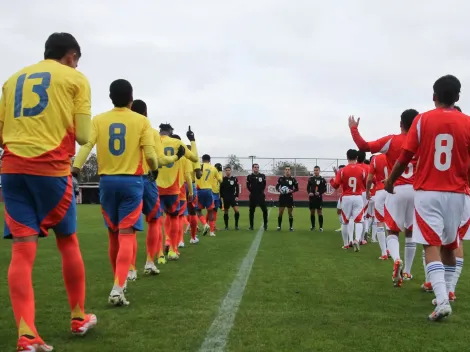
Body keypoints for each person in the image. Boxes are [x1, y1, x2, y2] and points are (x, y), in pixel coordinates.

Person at [0, 32, 97, 351]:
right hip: (51, 170)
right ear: (71, 56)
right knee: (67, 241)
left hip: (12, 170)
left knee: (22, 251)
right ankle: (78, 316)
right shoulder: (75, 78)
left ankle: (27, 334)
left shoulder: (12, 79)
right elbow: (84, 136)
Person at [384, 74, 470, 321]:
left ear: (434, 97)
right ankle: (448, 291)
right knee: (449, 245)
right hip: (457, 193)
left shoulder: (422, 121)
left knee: (430, 245)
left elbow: (404, 157)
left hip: (428, 191)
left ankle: (442, 300)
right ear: (458, 97)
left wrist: (390, 181)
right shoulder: (468, 122)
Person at [73, 79, 159, 307]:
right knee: (127, 234)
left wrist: (76, 168)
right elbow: (150, 154)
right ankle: (118, 287)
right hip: (132, 181)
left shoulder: (99, 120)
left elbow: (86, 146)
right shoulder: (141, 120)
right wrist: (155, 167)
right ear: (131, 98)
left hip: (107, 182)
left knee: (112, 233)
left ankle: (118, 282)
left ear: (111, 97)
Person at [349, 108, 419, 287]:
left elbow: (364, 147)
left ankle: (396, 258)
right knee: (411, 233)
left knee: (392, 231)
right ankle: (408, 271)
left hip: (395, 189)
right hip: (417, 191)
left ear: (401, 123)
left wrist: (353, 129)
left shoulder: (392, 140)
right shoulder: (423, 141)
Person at [130, 99, 184, 275]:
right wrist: (175, 158)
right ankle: (151, 260)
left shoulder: (110, 123)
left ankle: (129, 270)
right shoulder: (150, 130)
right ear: (145, 112)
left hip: (121, 178)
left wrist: (75, 170)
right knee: (156, 220)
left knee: (125, 227)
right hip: (148, 179)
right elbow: (158, 159)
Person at [157, 124, 198, 259]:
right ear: (171, 132)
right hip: (176, 188)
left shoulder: (153, 141)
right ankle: (174, 246)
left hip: (155, 187)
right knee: (176, 217)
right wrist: (192, 140)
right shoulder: (178, 145)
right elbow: (192, 165)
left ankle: (157, 254)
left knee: (157, 220)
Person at [330, 150, 366, 252]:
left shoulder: (342, 170)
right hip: (358, 196)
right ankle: (357, 239)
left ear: (347, 157)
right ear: (357, 157)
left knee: (345, 221)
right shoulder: (361, 170)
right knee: (359, 220)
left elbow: (336, 185)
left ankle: (346, 244)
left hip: (346, 197)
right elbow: (365, 183)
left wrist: (332, 180)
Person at [367, 154, 389, 260]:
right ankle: (391, 249)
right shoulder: (395, 155)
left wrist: (367, 191)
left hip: (380, 192)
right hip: (393, 190)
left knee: (379, 221)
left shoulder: (376, 159)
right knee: (391, 222)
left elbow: (370, 179)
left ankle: (384, 252)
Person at [197, 155, 222, 236]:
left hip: (199, 190)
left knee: (197, 210)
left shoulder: (198, 166)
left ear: (202, 159)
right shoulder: (213, 168)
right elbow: (220, 180)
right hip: (209, 191)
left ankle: (205, 224)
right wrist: (220, 172)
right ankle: (211, 232)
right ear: (209, 160)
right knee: (210, 211)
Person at [185, 144, 202, 244]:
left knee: (176, 214)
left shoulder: (180, 157)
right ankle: (193, 237)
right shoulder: (193, 159)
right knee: (192, 211)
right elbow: (199, 175)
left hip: (179, 185)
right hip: (191, 184)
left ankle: (178, 241)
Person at [275, 166, 299, 231]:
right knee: (280, 212)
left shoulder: (293, 179)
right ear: (284, 171)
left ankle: (291, 227)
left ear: (290, 171)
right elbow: (276, 187)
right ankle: (279, 226)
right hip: (282, 197)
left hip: (289, 197)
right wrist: (279, 190)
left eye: (288, 169)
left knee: (290, 213)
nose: (287, 171)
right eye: (286, 169)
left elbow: (297, 188)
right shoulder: (281, 179)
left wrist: (292, 191)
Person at [247, 164, 268, 230]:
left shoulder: (262, 176)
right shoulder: (249, 176)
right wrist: (252, 191)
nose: (256, 168)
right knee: (251, 211)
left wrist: (261, 191)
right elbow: (248, 185)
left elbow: (264, 184)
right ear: (252, 168)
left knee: (265, 210)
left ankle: (265, 225)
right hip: (253, 195)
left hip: (260, 195)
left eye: (257, 167)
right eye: (255, 167)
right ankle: (251, 226)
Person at [307, 166, 327, 231]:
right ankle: (313, 226)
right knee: (312, 212)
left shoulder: (322, 179)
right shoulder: (310, 179)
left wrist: (319, 193)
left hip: (318, 198)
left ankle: (321, 227)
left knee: (319, 212)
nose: (316, 171)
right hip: (312, 198)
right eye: (315, 170)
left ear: (319, 171)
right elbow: (308, 188)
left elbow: (325, 189)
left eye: (317, 170)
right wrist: (309, 192)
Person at [220, 165, 240, 230]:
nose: (228, 171)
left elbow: (237, 187)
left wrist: (236, 195)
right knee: (226, 211)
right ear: (225, 171)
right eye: (226, 170)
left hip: (232, 197)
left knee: (236, 211)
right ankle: (226, 226)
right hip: (226, 197)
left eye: (229, 170)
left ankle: (236, 225)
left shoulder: (234, 178)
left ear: (231, 171)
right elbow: (221, 189)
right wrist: (222, 196)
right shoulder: (223, 179)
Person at [334, 165, 346, 232]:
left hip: (347, 196)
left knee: (346, 212)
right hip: (343, 195)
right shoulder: (341, 175)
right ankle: (342, 226)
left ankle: (345, 226)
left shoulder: (346, 176)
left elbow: (336, 184)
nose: (340, 171)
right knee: (339, 211)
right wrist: (336, 173)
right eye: (340, 170)